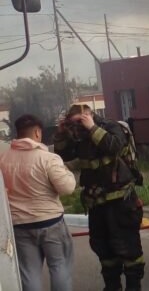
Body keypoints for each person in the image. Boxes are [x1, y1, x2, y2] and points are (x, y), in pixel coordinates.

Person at [53, 104, 144, 291]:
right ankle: (112, 287)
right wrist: (62, 134)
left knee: (128, 248)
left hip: (121, 202)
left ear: (88, 115)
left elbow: (115, 146)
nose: (77, 126)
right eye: (74, 123)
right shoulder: (78, 135)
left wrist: (92, 128)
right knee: (103, 249)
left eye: (80, 121)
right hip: (96, 204)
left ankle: (133, 287)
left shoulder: (110, 127)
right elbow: (63, 155)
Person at [0, 114, 76, 291]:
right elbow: (67, 188)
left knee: (29, 273)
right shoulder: (48, 158)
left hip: (19, 225)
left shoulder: (3, 159)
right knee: (59, 266)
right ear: (37, 132)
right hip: (51, 223)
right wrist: (67, 172)